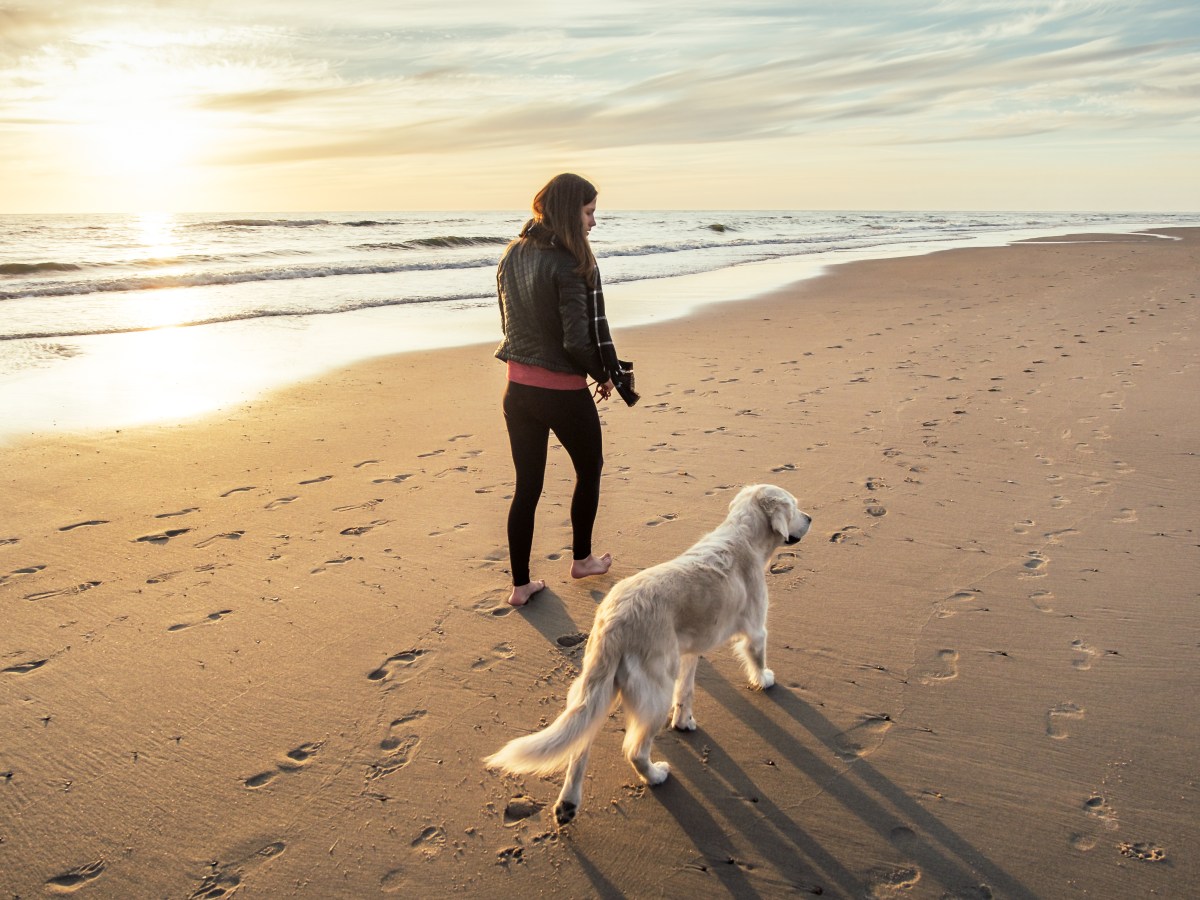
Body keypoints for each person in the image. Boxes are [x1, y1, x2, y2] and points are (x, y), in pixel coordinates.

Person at [494, 173, 626, 607]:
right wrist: (604, 373)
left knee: (526, 487)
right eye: (589, 212)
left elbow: (509, 323)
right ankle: (582, 559)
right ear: (572, 212)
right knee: (590, 470)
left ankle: (519, 586)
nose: (593, 222)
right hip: (561, 393)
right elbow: (575, 339)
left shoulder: (512, 253)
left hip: (517, 390)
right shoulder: (571, 262)